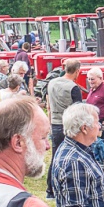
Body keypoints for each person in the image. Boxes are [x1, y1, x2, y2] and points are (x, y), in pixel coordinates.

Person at [46, 58, 83, 198]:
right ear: (77, 71)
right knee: (71, 157)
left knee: (56, 157)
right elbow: (79, 110)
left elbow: (48, 104)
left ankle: (50, 189)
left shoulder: (51, 83)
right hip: (69, 125)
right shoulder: (73, 87)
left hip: (55, 123)